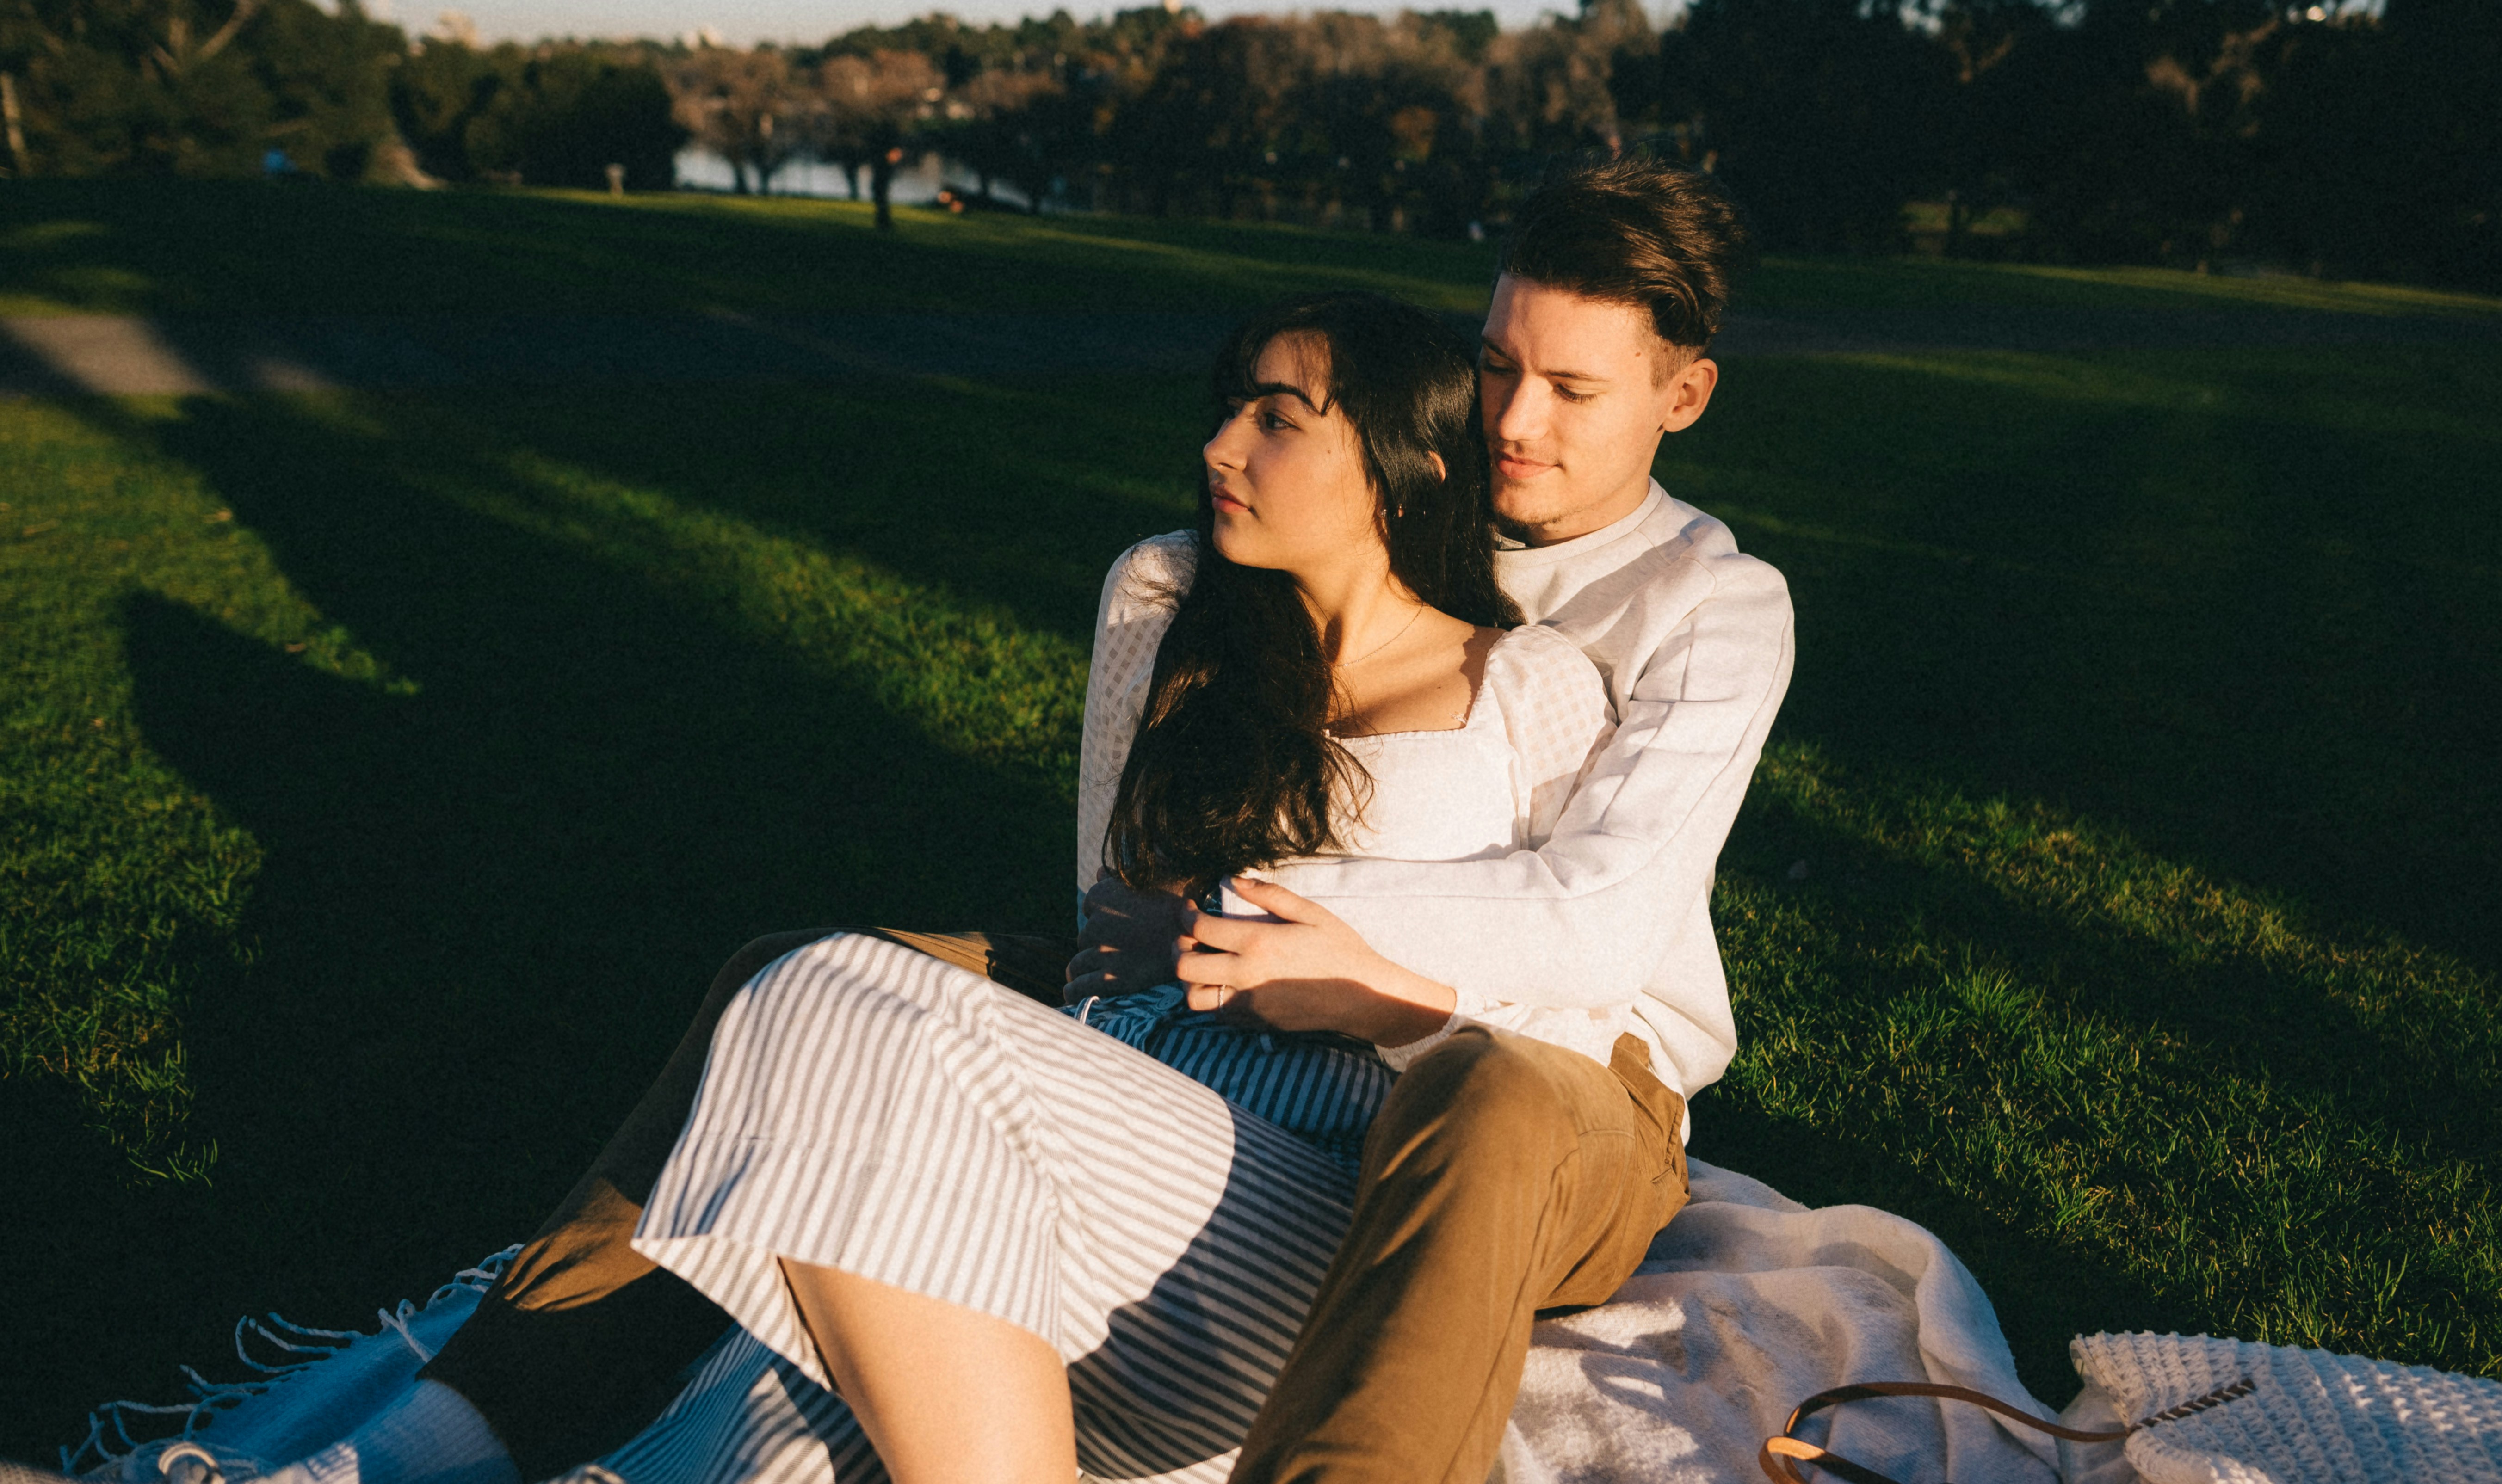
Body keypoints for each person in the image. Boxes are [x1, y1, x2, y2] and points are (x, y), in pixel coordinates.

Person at [148, 157, 1793, 1484]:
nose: (1516, 422)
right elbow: (1109, 901)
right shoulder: (1265, 565)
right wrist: (1163, 939)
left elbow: (1597, 913)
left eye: (1572, 390)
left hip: (1556, 1065)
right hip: (1229, 982)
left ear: (1685, 393)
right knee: (798, 977)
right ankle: (479, 1407)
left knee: (1488, 1093)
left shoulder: (1707, 606)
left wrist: (1296, 930)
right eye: (1497, 368)